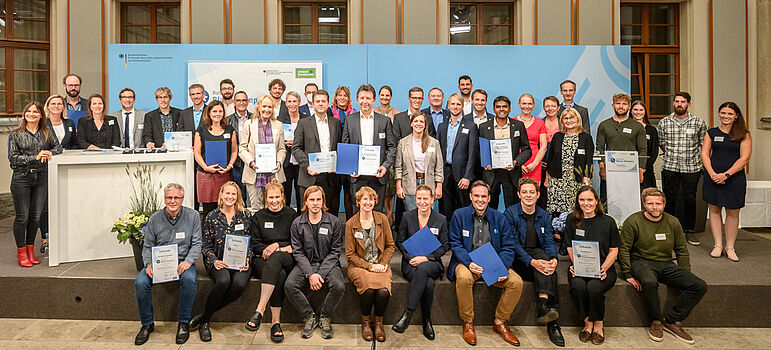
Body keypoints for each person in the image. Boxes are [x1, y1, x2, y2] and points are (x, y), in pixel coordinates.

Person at [619, 188, 707, 345]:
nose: (654, 207)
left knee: (699, 285)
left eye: (658, 204)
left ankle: (673, 320)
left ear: (664, 204)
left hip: (666, 263)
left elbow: (681, 249)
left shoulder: (673, 222)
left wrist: (684, 273)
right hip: (641, 261)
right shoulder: (633, 221)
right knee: (649, 281)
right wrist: (627, 273)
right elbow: (624, 248)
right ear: (644, 204)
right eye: (650, 203)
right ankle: (656, 322)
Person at [448, 180, 523, 346]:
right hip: (468, 261)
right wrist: (468, 262)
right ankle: (467, 322)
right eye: (476, 196)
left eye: (483, 196)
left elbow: (508, 246)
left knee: (516, 282)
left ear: (489, 198)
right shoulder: (459, 215)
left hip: (493, 263)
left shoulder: (499, 217)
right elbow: (455, 243)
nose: (480, 199)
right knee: (464, 278)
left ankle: (500, 322)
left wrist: (501, 267)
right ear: (470, 196)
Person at [133, 183, 202, 346]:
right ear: (164, 199)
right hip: (159, 262)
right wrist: (149, 264)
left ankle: (183, 322)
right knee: (140, 282)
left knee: (190, 280)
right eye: (169, 197)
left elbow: (197, 243)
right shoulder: (155, 218)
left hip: (182, 262)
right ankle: (147, 324)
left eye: (176, 197)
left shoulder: (193, 216)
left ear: (182, 199)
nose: (172, 201)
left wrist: (188, 262)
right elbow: (148, 246)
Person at [504, 177, 565, 347]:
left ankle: (544, 305)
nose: (528, 195)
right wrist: (532, 262)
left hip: (537, 256)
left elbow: (548, 242)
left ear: (538, 194)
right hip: (517, 259)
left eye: (532, 192)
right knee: (544, 266)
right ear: (519, 194)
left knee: (548, 266)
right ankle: (552, 322)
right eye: (524, 192)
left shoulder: (544, 215)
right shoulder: (510, 213)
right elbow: (513, 244)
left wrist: (554, 259)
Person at [191, 181, 251, 342]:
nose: (230, 197)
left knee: (238, 284)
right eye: (227, 193)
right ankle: (205, 323)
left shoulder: (245, 215)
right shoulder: (212, 216)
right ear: (221, 195)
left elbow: (252, 242)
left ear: (237, 196)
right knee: (223, 280)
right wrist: (214, 261)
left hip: (240, 262)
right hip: (218, 261)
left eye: (234, 194)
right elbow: (205, 245)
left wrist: (248, 258)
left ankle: (204, 316)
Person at [284, 186, 345, 339]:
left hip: (328, 263)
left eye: (319, 199)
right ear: (306, 202)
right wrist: (310, 273)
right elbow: (297, 251)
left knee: (339, 285)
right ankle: (309, 316)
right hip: (306, 263)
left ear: (323, 201)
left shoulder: (334, 222)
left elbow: (336, 251)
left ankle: (325, 316)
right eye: (312, 200)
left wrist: (321, 273)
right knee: (289, 285)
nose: (315, 203)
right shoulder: (297, 223)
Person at [564, 186, 620, 345]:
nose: (586, 203)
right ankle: (587, 322)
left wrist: (603, 269)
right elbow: (569, 246)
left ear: (596, 201)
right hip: (579, 267)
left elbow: (614, 250)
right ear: (577, 202)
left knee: (594, 287)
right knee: (578, 285)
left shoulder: (608, 222)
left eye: (589, 199)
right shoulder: (571, 219)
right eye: (582, 200)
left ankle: (598, 324)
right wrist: (577, 265)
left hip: (604, 268)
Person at [8, 101, 62, 267]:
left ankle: (31, 250)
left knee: (35, 217)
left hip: (41, 179)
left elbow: (58, 147)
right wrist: (35, 157)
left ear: (41, 115)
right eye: (29, 111)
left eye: (36, 112)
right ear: (24, 114)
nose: (32, 114)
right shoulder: (16, 134)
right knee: (22, 217)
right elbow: (13, 159)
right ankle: (21, 251)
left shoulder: (45, 132)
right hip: (21, 179)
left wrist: (49, 152)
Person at [392, 184, 449, 340]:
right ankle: (427, 321)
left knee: (424, 268)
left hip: (432, 263)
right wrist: (410, 257)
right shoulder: (406, 216)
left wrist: (425, 258)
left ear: (432, 200)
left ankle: (407, 314)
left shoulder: (441, 219)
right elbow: (400, 241)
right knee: (428, 284)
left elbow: (445, 246)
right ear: (415, 199)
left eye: (425, 198)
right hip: (410, 263)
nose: (422, 202)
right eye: (419, 198)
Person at [245, 180, 298, 342]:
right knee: (279, 275)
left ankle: (260, 309)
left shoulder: (291, 214)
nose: (274, 201)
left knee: (277, 257)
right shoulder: (258, 217)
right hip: (263, 260)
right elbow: (255, 244)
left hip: (287, 257)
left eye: (277, 197)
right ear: (265, 198)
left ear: (283, 196)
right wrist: (277, 247)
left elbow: (296, 241)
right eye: (270, 197)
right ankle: (276, 322)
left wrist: (277, 246)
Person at [702, 102, 752, 262]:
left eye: (730, 114)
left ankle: (730, 247)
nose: (726, 116)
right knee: (714, 210)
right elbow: (704, 154)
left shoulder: (744, 134)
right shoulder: (711, 132)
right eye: (723, 113)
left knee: (732, 212)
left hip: (734, 179)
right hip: (713, 177)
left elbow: (744, 158)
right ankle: (717, 245)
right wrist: (712, 174)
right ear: (718, 113)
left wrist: (726, 174)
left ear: (736, 116)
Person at [345, 186, 396, 342]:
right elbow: (350, 254)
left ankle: (379, 323)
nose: (368, 202)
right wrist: (369, 267)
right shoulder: (350, 224)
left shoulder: (382, 219)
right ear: (358, 201)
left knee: (382, 292)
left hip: (381, 265)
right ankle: (366, 322)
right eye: (364, 199)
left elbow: (390, 246)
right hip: (360, 266)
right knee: (367, 290)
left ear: (375, 201)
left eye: (371, 199)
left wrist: (383, 263)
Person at [657, 92, 708, 246]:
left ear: (688, 104)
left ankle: (690, 231)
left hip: (691, 168)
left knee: (690, 199)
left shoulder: (698, 122)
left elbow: (703, 145)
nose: (679, 104)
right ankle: (669, 230)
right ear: (673, 103)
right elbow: (662, 143)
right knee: (669, 199)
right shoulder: (664, 122)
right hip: (670, 166)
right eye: (677, 101)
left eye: (683, 102)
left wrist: (695, 159)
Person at [342, 84, 398, 213]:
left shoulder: (384, 121)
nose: (365, 101)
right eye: (362, 98)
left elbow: (392, 147)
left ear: (373, 100)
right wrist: (351, 167)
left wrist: (385, 166)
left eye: (368, 98)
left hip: (378, 174)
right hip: (357, 175)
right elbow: (346, 146)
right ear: (357, 100)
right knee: (358, 211)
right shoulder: (350, 120)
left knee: (377, 211)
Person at [292, 89, 342, 214]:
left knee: (330, 214)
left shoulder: (335, 123)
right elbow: (296, 148)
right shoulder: (303, 123)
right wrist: (307, 165)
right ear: (313, 104)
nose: (320, 104)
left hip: (330, 176)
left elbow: (340, 147)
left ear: (328, 103)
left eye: (323, 101)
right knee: (308, 214)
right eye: (317, 101)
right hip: (309, 176)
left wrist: (338, 164)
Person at [478, 96, 532, 210]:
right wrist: (484, 162)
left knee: (512, 207)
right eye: (498, 107)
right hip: (491, 173)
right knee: (490, 207)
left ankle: (511, 228)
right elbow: (478, 150)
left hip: (511, 173)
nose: (501, 109)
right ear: (493, 109)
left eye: (504, 107)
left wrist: (516, 162)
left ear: (510, 109)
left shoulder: (518, 126)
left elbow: (527, 150)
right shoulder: (483, 127)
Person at [39, 95, 75, 253]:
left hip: (66, 168)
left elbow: (74, 144)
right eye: (53, 103)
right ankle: (46, 238)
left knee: (65, 202)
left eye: (59, 103)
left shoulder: (69, 123)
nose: (56, 106)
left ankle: (66, 237)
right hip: (45, 169)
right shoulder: (43, 125)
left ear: (63, 106)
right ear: (48, 106)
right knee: (46, 205)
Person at [596, 93, 647, 202]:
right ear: (613, 105)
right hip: (610, 169)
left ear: (629, 107)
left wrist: (641, 170)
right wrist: (601, 167)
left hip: (630, 169)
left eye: (624, 104)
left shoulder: (637, 126)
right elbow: (600, 147)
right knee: (607, 200)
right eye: (618, 103)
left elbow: (642, 149)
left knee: (629, 200)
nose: (621, 106)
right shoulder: (604, 125)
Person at [239, 95, 286, 211]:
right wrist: (251, 162)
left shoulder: (278, 125)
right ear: (258, 107)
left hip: (274, 174)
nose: (267, 109)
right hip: (254, 174)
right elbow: (242, 148)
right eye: (264, 106)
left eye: (270, 107)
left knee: (274, 208)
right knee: (256, 208)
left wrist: (279, 162)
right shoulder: (249, 124)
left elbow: (281, 149)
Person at [194, 100, 238, 218]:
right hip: (205, 175)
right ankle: (208, 235)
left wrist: (229, 166)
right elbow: (197, 153)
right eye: (214, 111)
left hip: (224, 174)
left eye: (220, 111)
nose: (217, 114)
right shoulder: (201, 130)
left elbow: (234, 151)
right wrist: (205, 167)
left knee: (225, 206)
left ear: (223, 113)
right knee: (208, 210)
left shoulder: (230, 129)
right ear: (208, 113)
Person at [437, 93, 478, 220]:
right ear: (448, 106)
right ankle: (447, 237)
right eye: (453, 104)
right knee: (445, 207)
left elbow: (473, 153)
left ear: (462, 106)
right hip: (445, 173)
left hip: (462, 175)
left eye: (458, 104)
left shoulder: (471, 126)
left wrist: (467, 176)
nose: (455, 107)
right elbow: (438, 153)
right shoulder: (442, 126)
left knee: (463, 207)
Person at [545, 108, 593, 215]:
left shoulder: (586, 137)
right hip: (557, 181)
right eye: (565, 118)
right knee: (557, 214)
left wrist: (586, 181)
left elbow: (589, 161)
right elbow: (551, 159)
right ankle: (558, 231)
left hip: (577, 181)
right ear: (561, 121)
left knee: (577, 212)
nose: (568, 120)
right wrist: (547, 178)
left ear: (577, 119)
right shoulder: (557, 136)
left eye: (571, 117)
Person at [395, 112, 443, 211]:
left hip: (428, 182)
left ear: (425, 124)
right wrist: (398, 186)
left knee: (428, 215)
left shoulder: (434, 143)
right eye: (415, 121)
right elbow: (398, 166)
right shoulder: (403, 143)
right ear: (411, 123)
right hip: (409, 183)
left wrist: (439, 186)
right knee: (412, 215)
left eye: (421, 121)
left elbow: (439, 167)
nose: (418, 124)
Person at [278, 91, 309, 210]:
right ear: (286, 103)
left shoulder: (306, 119)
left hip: (301, 161)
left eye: (294, 101)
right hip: (286, 161)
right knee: (285, 192)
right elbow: (276, 141)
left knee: (301, 193)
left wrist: (297, 143)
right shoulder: (280, 120)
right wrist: (284, 143)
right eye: (289, 101)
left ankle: (300, 221)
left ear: (299, 103)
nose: (292, 104)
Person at [375, 85, 400, 226]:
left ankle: (390, 219)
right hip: (375, 158)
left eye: (387, 95)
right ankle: (380, 221)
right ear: (378, 97)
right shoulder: (372, 112)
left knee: (390, 192)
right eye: (382, 95)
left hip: (390, 157)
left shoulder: (397, 113)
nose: (384, 98)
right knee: (379, 192)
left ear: (391, 97)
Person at [332, 85, 357, 217]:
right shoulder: (329, 113)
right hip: (334, 157)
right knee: (334, 192)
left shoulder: (354, 114)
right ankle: (334, 223)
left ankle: (349, 224)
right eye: (339, 95)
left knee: (349, 192)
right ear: (335, 97)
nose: (342, 97)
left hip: (349, 156)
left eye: (345, 95)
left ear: (349, 98)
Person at [515, 94, 548, 184]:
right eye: (524, 103)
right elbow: (509, 146)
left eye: (529, 104)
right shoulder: (512, 122)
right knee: (517, 194)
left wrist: (534, 164)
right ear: (519, 104)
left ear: (533, 105)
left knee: (533, 194)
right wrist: (518, 164)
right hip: (516, 164)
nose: (527, 106)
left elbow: (543, 146)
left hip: (534, 164)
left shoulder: (540, 123)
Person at [227, 90, 252, 204]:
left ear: (247, 102)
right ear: (234, 102)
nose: (241, 103)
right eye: (238, 100)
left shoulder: (255, 118)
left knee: (253, 191)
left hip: (252, 159)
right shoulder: (227, 120)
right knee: (239, 190)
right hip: (236, 160)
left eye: (243, 100)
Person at [631, 100, 659, 190]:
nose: (638, 112)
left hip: (647, 171)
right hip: (629, 169)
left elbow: (654, 152)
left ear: (645, 112)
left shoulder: (652, 130)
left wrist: (643, 168)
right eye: (635, 109)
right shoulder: (626, 128)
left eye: (641, 110)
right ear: (631, 111)